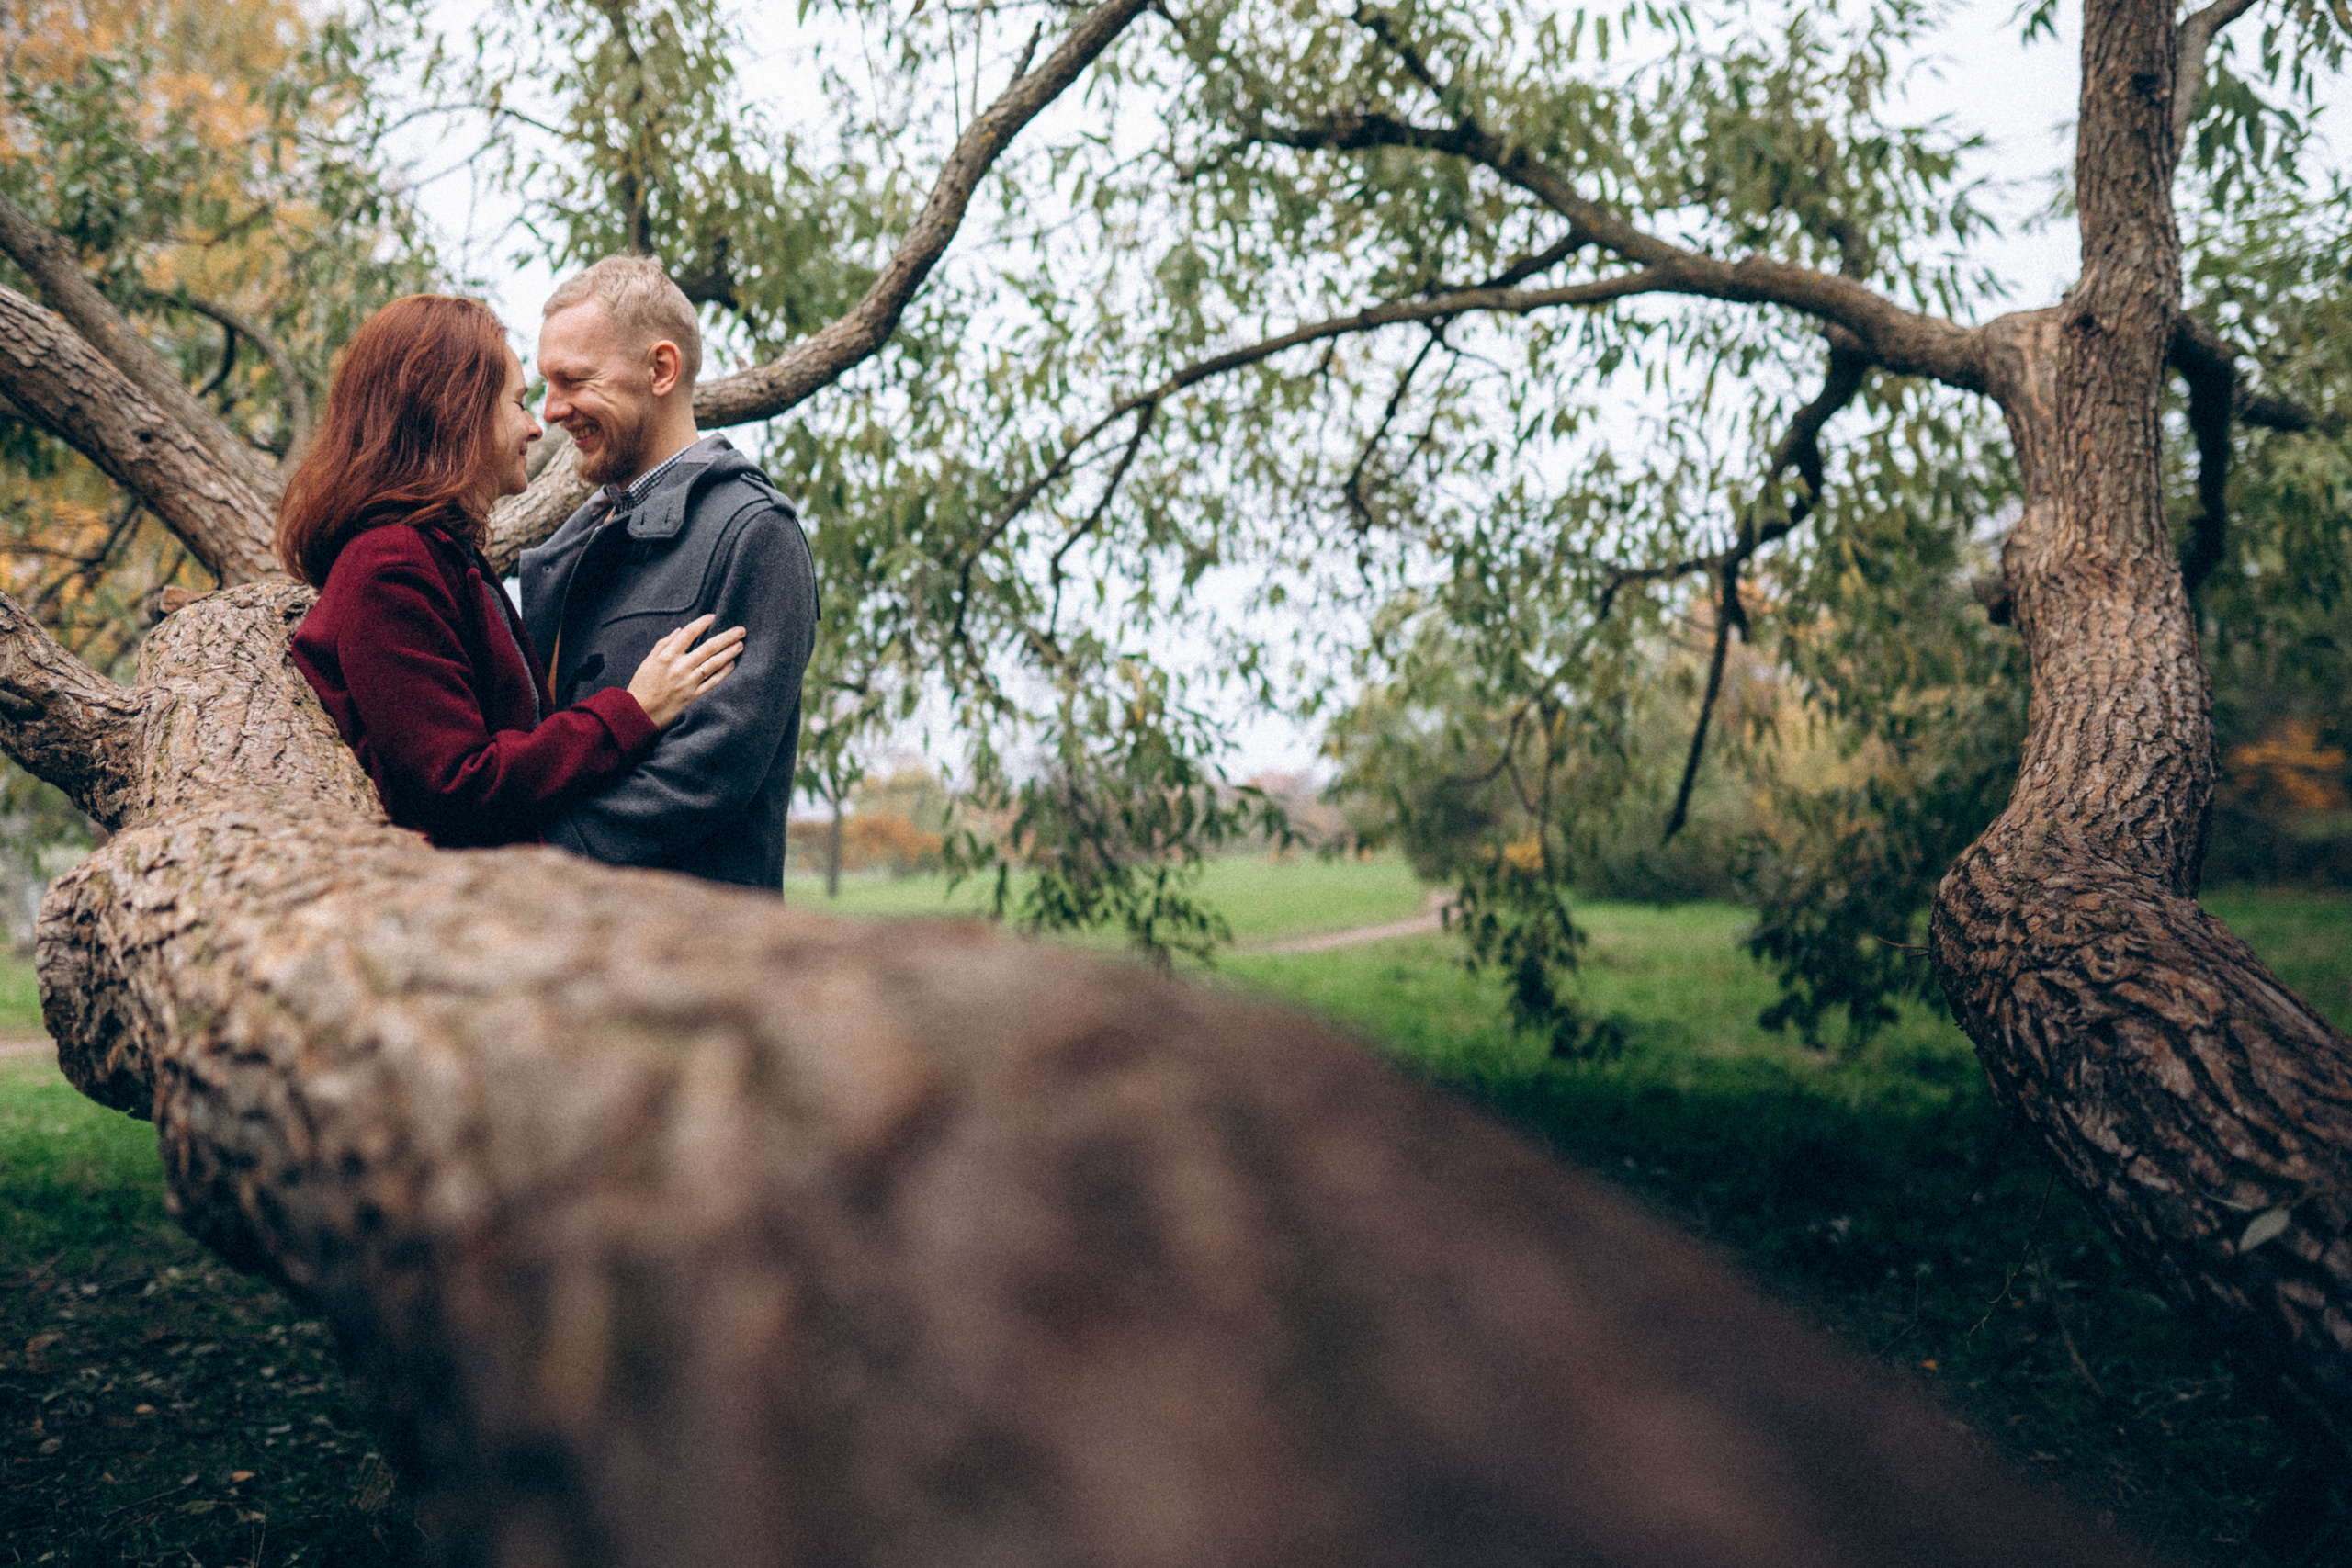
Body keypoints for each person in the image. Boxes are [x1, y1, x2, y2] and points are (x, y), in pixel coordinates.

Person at [280, 294, 746, 849]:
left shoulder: (445, 556)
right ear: (455, 411)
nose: (536, 425)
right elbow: (454, 785)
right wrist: (632, 711)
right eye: (518, 402)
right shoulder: (389, 565)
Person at [521, 256, 818, 889]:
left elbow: (709, 769)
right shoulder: (569, 542)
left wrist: (539, 854)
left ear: (661, 369)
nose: (550, 410)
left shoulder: (754, 532)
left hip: (692, 952)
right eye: (547, 384)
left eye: (573, 380)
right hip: (560, 943)